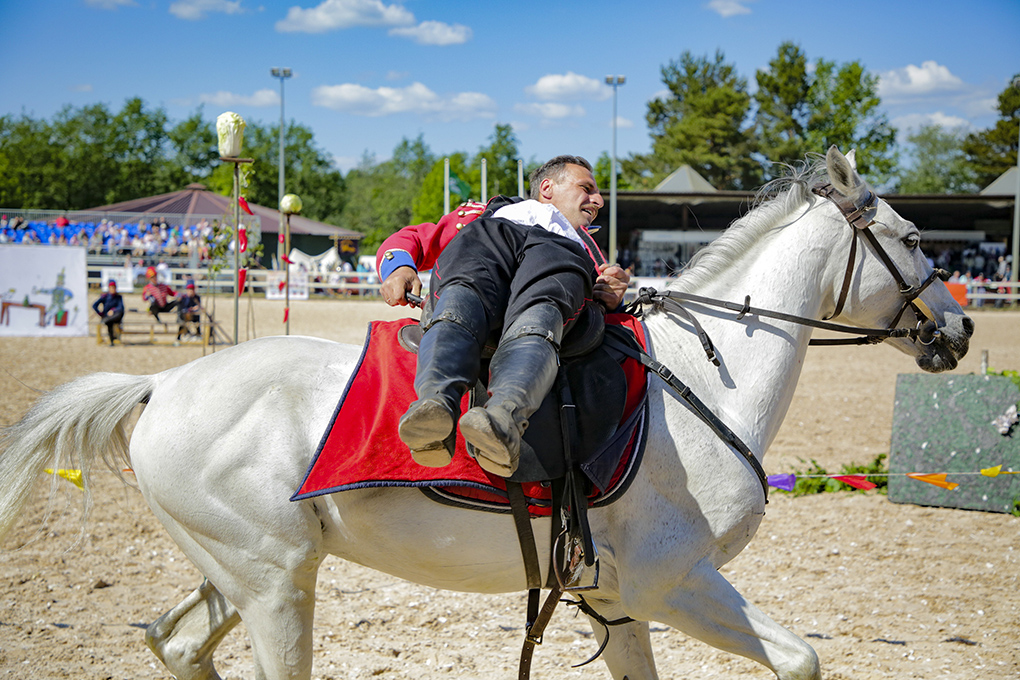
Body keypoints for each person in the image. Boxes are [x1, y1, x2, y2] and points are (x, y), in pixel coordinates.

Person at [377, 155, 630, 477]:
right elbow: (411, 238)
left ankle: (494, 417)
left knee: (532, 317)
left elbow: (600, 315)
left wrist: (612, 298)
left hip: (543, 250)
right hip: (500, 239)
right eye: (586, 188)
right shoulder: (481, 213)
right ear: (548, 188)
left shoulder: (591, 250)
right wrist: (399, 268)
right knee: (469, 303)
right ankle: (436, 409)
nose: (598, 200)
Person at [92, 280, 124, 346]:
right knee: (109, 323)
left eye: (114, 287)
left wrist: (113, 310)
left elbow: (121, 308)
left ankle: (105, 320)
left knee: (118, 313)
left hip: (116, 316)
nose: (113, 289)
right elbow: (94, 305)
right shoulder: (105, 297)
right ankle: (112, 341)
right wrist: (100, 314)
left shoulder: (118, 297)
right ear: (109, 288)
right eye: (111, 287)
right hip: (108, 317)